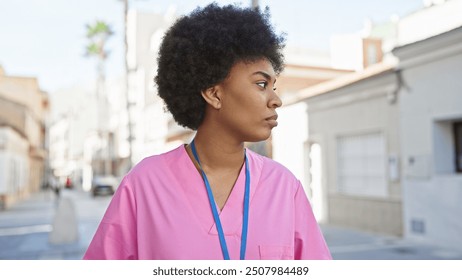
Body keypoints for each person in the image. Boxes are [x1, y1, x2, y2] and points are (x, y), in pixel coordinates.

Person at [83, 3, 331, 260]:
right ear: (214, 93)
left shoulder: (285, 188)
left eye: (273, 87)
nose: (275, 100)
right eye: (261, 84)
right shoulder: (144, 186)